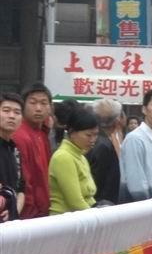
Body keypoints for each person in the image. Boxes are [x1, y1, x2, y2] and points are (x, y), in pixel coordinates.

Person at [120, 88, 152, 202]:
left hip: (150, 207)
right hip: (138, 209)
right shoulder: (135, 139)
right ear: (144, 109)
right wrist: (150, 211)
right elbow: (136, 184)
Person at [49, 104, 99, 214]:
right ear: (72, 133)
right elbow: (75, 202)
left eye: (96, 135)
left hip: (82, 218)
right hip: (65, 221)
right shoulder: (63, 157)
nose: (93, 140)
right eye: (88, 135)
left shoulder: (81, 156)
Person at [13, 82, 52, 218]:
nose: (38, 108)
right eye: (33, 103)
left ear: (50, 108)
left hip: (42, 209)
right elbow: (25, 180)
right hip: (30, 213)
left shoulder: (42, 134)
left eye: (43, 103)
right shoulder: (20, 135)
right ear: (23, 106)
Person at [88, 98, 123, 205]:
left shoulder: (95, 140)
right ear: (116, 121)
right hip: (103, 205)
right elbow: (101, 183)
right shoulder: (104, 146)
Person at [0, 92, 25, 221]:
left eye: (17, 112)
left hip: (10, 223)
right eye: (6, 110)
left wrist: (14, 210)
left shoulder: (14, 149)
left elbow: (21, 188)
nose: (11, 116)